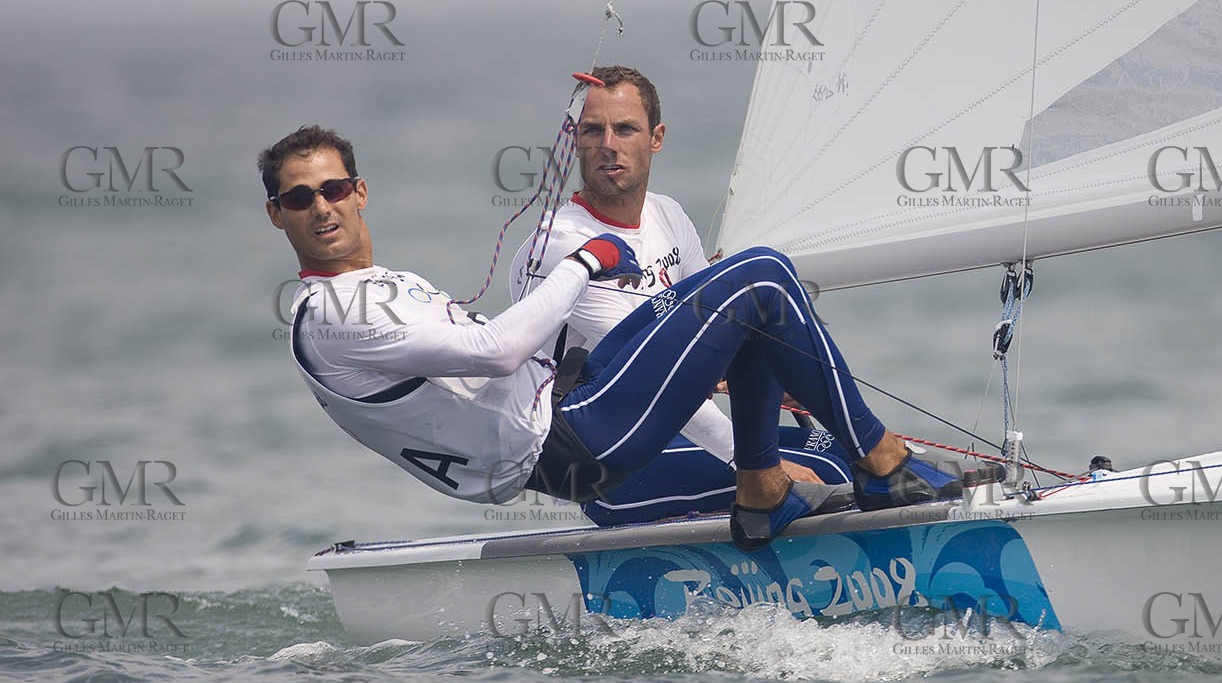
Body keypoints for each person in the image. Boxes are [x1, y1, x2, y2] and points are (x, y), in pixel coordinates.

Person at [261, 125, 990, 549]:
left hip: (570, 411)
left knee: (752, 301)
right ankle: (882, 462)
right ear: (278, 215)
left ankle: (763, 487)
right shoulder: (335, 312)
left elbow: (485, 372)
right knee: (764, 274)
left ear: (359, 191)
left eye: (332, 189)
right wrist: (585, 263)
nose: (321, 207)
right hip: (567, 445)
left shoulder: (364, 290)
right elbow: (498, 352)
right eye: (300, 198)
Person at [508, 64, 849, 525]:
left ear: (656, 137)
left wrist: (786, 380)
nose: (608, 144)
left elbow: (727, 336)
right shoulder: (563, 245)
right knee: (828, 472)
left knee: (844, 451)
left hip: (679, 431)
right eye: (592, 131)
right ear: (575, 140)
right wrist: (754, 468)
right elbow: (663, 378)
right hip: (606, 464)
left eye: (625, 128)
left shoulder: (667, 215)